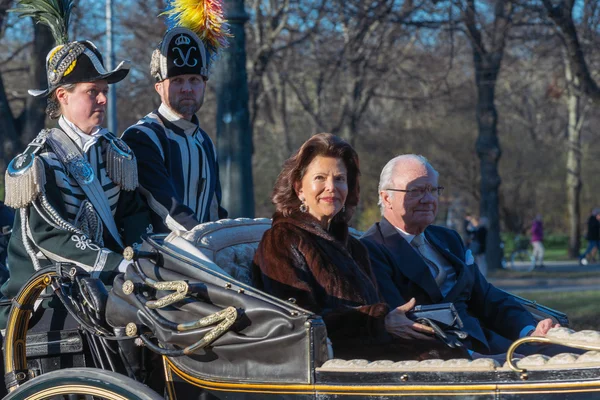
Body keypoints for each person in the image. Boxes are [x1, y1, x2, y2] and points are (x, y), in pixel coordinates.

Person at [252, 135, 466, 361]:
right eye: (320, 178)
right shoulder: (283, 239)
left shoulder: (353, 246)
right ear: (299, 188)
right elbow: (297, 322)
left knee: (451, 350)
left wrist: (394, 320)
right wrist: (376, 321)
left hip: (371, 348)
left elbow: (377, 309)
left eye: (340, 179)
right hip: (332, 363)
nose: (331, 188)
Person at [1, 35, 151, 328]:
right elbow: (52, 236)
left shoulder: (115, 153)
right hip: (48, 298)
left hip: (111, 284)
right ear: (62, 96)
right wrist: (118, 264)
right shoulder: (40, 161)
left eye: (104, 91)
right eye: (92, 91)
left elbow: (134, 215)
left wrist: (144, 261)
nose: (104, 99)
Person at [360, 154, 560, 359]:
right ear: (386, 198)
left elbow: (487, 298)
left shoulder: (448, 238)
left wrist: (529, 331)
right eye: (416, 191)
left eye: (433, 190)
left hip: (492, 342)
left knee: (579, 356)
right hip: (444, 360)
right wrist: (474, 360)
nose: (428, 199)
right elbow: (404, 325)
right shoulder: (370, 249)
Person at [122, 27, 227, 234]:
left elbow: (214, 210)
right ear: (159, 88)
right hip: (158, 257)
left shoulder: (205, 141)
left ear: (204, 86)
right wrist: (206, 242)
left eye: (194, 80)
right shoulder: (142, 136)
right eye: (177, 80)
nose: (187, 88)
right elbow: (166, 207)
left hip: (201, 254)